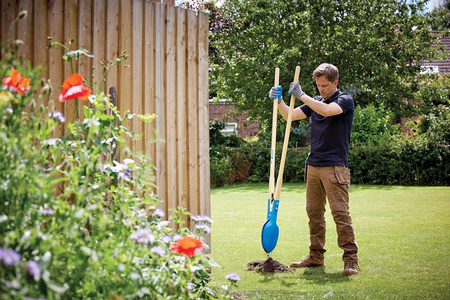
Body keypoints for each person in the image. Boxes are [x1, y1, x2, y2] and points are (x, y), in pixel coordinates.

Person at [268, 63, 359, 276]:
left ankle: (351, 260)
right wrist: (279, 100)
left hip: (335, 167)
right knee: (314, 214)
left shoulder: (344, 100)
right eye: (318, 86)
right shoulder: (315, 101)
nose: (321, 90)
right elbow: (289, 115)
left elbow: (327, 111)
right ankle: (316, 256)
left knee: (340, 214)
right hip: (313, 165)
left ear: (335, 82)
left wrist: (302, 95)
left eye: (325, 86)